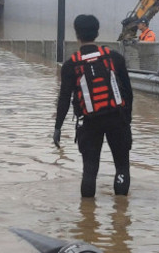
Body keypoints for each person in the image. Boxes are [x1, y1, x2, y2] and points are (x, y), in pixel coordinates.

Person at [53, 14, 134, 198]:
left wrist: (57, 127)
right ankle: (120, 218)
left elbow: (64, 98)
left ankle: (88, 218)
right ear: (97, 32)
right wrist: (127, 120)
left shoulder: (70, 65)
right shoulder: (115, 58)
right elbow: (128, 93)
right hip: (117, 118)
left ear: (76, 34)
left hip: (89, 122)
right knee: (122, 166)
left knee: (89, 170)